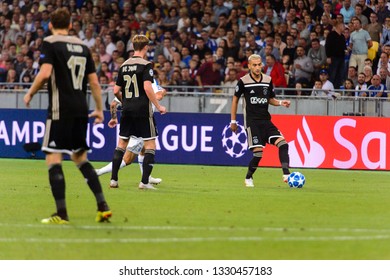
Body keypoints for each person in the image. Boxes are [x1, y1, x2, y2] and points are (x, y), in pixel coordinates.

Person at [23, 8, 111, 224]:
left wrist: (30, 92)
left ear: (51, 25)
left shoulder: (50, 42)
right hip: (81, 108)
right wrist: (99, 109)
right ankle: (102, 206)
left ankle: (61, 214)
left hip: (59, 109)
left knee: (53, 157)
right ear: (71, 25)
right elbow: (94, 82)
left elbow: (44, 74)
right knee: (80, 158)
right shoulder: (83, 47)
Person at [109, 35, 167, 190]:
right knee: (150, 145)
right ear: (146, 47)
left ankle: (113, 180)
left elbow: (115, 90)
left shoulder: (124, 65)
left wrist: (126, 100)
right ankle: (144, 182)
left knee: (121, 144)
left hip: (127, 110)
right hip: (142, 110)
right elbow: (148, 88)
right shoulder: (146, 64)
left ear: (133, 46)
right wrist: (158, 105)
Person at [230, 54, 291, 188]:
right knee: (258, 153)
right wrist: (233, 121)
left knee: (283, 144)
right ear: (249, 66)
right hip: (252, 122)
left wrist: (281, 102)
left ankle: (286, 174)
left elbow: (270, 99)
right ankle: (248, 177)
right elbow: (235, 99)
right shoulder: (243, 81)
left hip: (266, 121)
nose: (257, 67)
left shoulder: (268, 80)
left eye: (259, 65)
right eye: (254, 65)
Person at [96, 79, 166, 184]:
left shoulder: (129, 87)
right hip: (142, 121)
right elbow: (159, 95)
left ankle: (147, 176)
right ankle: (98, 172)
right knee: (128, 159)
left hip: (128, 120)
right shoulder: (148, 83)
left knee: (143, 150)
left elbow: (113, 104)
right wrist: (155, 96)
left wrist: (113, 118)